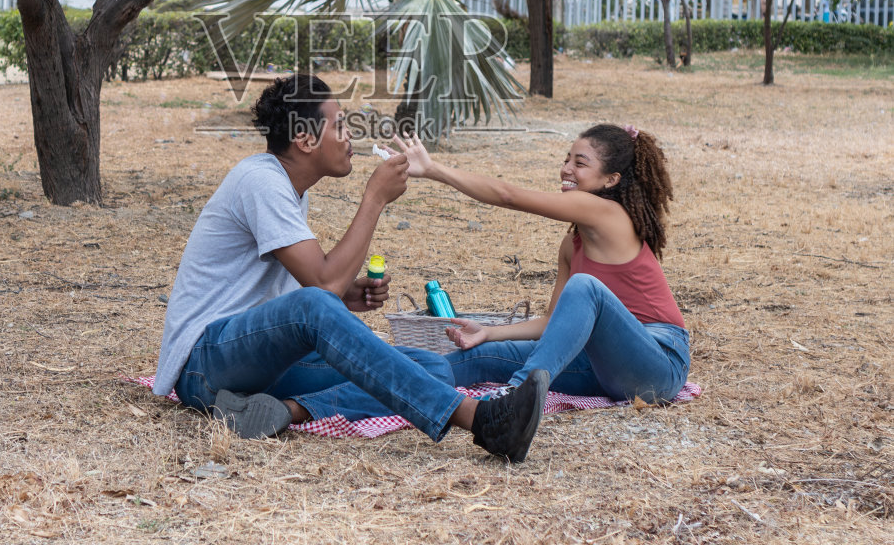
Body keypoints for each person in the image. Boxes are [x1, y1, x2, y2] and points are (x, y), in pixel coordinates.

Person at [153, 73, 547, 464]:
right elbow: (321, 286)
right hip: (205, 364)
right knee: (317, 305)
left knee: (431, 369)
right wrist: (374, 199)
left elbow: (314, 286)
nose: (349, 137)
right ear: (305, 139)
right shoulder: (261, 181)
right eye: (339, 125)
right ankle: (480, 420)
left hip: (256, 370)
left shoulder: (289, 188)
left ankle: (284, 411)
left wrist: (344, 293)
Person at [280, 122, 688, 422]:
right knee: (457, 360)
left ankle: (516, 400)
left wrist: (435, 170)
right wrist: (488, 332)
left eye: (580, 164)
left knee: (586, 287)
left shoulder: (607, 213)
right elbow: (551, 322)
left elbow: (509, 196)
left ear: (611, 180)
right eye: (566, 159)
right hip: (601, 366)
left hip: (657, 365)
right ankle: (301, 405)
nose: (566, 169)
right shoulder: (573, 242)